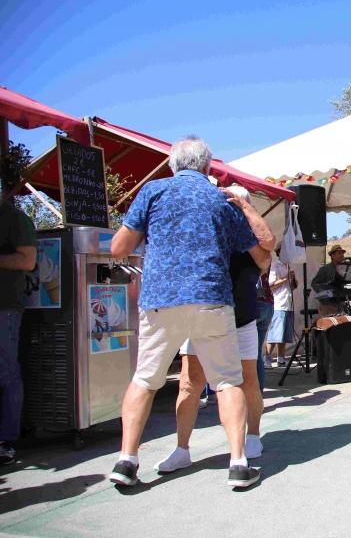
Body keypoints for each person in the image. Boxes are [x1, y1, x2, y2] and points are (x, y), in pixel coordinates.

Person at [109, 136, 267, 487]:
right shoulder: (222, 199)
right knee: (227, 381)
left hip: (160, 299)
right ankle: (239, 464)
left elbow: (120, 247)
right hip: (211, 297)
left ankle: (126, 460)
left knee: (145, 379)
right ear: (208, 167)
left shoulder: (153, 191)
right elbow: (259, 253)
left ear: (172, 164)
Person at [155, 185, 275, 472]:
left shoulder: (250, 239)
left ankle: (253, 434)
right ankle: (181, 448)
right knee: (189, 382)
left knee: (247, 381)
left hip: (241, 317)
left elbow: (268, 247)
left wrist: (246, 208)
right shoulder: (207, 232)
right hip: (202, 317)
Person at [0, 197, 37, 466]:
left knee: (6, 372)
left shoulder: (13, 217)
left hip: (4, 307)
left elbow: (28, 261)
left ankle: (6, 441)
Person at [267, 246, 297, 367]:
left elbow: (290, 287)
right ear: (280, 252)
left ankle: (281, 358)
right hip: (279, 303)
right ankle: (267, 357)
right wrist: (286, 278)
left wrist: (294, 282)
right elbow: (271, 285)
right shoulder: (275, 266)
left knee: (284, 333)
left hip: (288, 303)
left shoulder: (287, 266)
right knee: (276, 331)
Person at [312, 244, 347, 317]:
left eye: (342, 253)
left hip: (339, 305)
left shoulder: (343, 269)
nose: (342, 255)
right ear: (333, 256)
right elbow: (314, 283)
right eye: (339, 253)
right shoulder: (325, 269)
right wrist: (321, 290)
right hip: (327, 305)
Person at [257, 270, 276, 372]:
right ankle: (258, 386)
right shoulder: (267, 261)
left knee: (249, 352)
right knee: (256, 351)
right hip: (268, 303)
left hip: (257, 302)